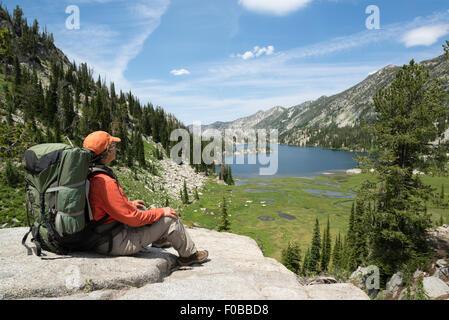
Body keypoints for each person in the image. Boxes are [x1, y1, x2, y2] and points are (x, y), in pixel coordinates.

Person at [83, 130, 208, 266]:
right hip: (112, 242)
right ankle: (189, 255)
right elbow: (133, 218)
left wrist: (129, 204)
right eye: (113, 145)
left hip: (100, 234)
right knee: (170, 219)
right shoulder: (104, 182)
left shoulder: (90, 173)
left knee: (140, 207)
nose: (116, 148)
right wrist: (161, 212)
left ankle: (159, 239)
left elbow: (101, 206)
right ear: (107, 151)